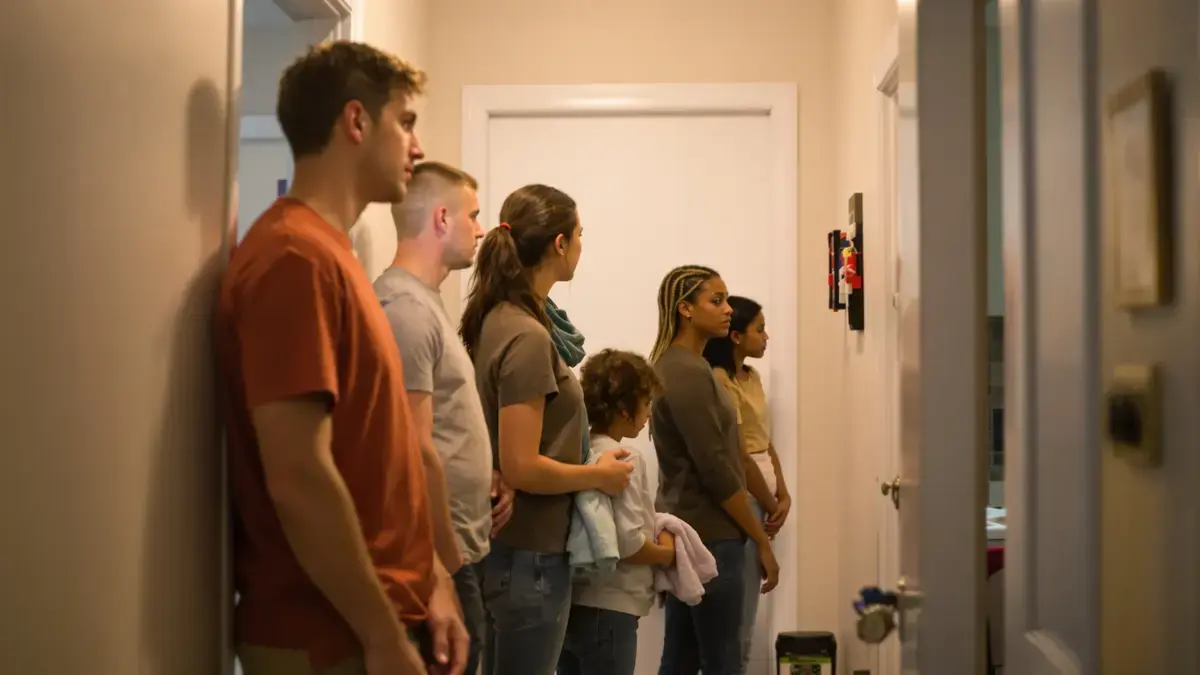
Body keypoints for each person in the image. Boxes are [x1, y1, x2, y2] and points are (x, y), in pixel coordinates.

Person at [215, 41, 467, 675]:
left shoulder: (334, 257)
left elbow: (375, 454)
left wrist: (431, 576)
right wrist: (381, 635)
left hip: (367, 621)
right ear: (356, 122)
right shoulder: (293, 259)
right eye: (405, 122)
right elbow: (300, 474)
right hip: (327, 633)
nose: (416, 147)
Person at [459, 185, 634, 675]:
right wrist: (597, 475)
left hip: (513, 553)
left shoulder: (499, 318)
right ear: (559, 244)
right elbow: (521, 465)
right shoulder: (527, 335)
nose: (582, 246)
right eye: (579, 235)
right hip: (529, 557)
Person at [375, 161, 517, 675]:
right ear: (440, 218)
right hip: (438, 556)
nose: (481, 230)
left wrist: (487, 477)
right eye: (473, 216)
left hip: (462, 545)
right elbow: (411, 450)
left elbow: (444, 423)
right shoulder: (404, 310)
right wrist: (445, 566)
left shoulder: (426, 304)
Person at [648, 265, 780, 675]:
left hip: (696, 532)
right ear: (685, 309)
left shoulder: (689, 366)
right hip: (709, 534)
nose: (727, 310)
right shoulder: (684, 372)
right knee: (721, 659)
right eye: (716, 301)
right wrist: (761, 540)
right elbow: (716, 469)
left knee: (683, 657)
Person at [557, 349, 674, 675]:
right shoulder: (626, 459)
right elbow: (629, 544)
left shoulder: (579, 452)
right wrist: (667, 553)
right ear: (625, 409)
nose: (649, 412)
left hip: (573, 604)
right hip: (611, 608)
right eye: (647, 403)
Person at [703, 296, 791, 674]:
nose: (766, 336)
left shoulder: (751, 378)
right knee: (735, 628)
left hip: (766, 501)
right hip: (747, 503)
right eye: (760, 328)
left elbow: (765, 441)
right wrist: (770, 505)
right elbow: (740, 455)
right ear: (736, 336)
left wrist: (783, 494)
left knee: (746, 622)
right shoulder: (719, 380)